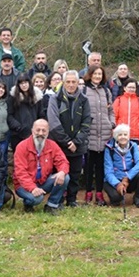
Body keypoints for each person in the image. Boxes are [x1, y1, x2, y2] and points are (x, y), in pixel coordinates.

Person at [48, 71, 92, 207]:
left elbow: (86, 123)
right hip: (60, 145)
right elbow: (54, 124)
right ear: (63, 82)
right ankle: (58, 199)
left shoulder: (84, 100)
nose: (71, 85)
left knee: (75, 173)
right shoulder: (55, 99)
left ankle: (72, 200)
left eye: (74, 82)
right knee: (59, 173)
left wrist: (76, 142)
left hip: (78, 145)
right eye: (68, 82)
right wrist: (67, 142)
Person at [13, 119, 70, 215]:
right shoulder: (22, 146)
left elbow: (63, 161)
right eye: (38, 130)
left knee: (65, 177)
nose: (40, 133)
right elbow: (20, 172)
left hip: (43, 182)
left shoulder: (52, 145)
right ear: (32, 130)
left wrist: (62, 172)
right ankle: (28, 203)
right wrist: (32, 188)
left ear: (48, 132)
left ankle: (51, 205)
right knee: (37, 199)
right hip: (23, 185)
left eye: (44, 131)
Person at [82, 66, 114, 206]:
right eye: (95, 73)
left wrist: (111, 123)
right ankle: (88, 193)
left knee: (101, 166)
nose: (97, 76)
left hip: (104, 133)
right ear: (90, 75)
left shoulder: (106, 91)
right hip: (90, 133)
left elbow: (111, 110)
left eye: (100, 74)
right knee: (89, 166)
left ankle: (100, 193)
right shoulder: (83, 90)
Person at [104, 124, 139, 208]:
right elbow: (108, 172)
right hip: (116, 178)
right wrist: (118, 184)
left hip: (129, 179)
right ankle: (116, 197)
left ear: (128, 136)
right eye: (120, 135)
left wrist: (127, 177)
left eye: (125, 134)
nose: (123, 137)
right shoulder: (109, 148)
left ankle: (137, 197)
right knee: (116, 199)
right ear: (116, 136)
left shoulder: (133, 146)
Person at [8, 73, 46, 151]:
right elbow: (9, 115)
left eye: (25, 82)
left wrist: (38, 128)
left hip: (34, 134)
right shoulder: (13, 97)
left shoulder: (37, 97)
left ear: (29, 83)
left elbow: (41, 115)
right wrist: (18, 127)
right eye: (21, 83)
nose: (24, 85)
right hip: (17, 134)